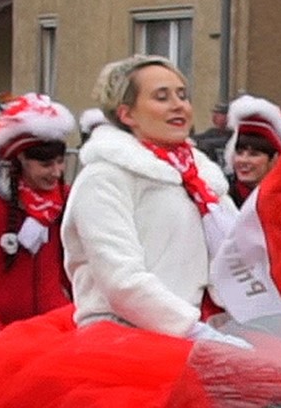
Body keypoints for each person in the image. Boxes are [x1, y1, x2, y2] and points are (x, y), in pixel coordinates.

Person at [64, 55, 238, 337]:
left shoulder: (201, 179)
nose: (178, 105)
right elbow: (120, 279)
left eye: (182, 95)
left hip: (203, 328)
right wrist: (194, 332)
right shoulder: (104, 178)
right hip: (127, 337)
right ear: (126, 114)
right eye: (162, 97)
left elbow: (238, 255)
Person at [0, 93, 77, 347]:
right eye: (45, 164)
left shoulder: (67, 198)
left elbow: (76, 265)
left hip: (55, 330)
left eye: (59, 162)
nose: (56, 172)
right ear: (19, 160)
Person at [222, 95, 281, 207]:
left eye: (254, 154)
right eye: (239, 153)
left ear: (275, 158)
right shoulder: (222, 199)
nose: (243, 160)